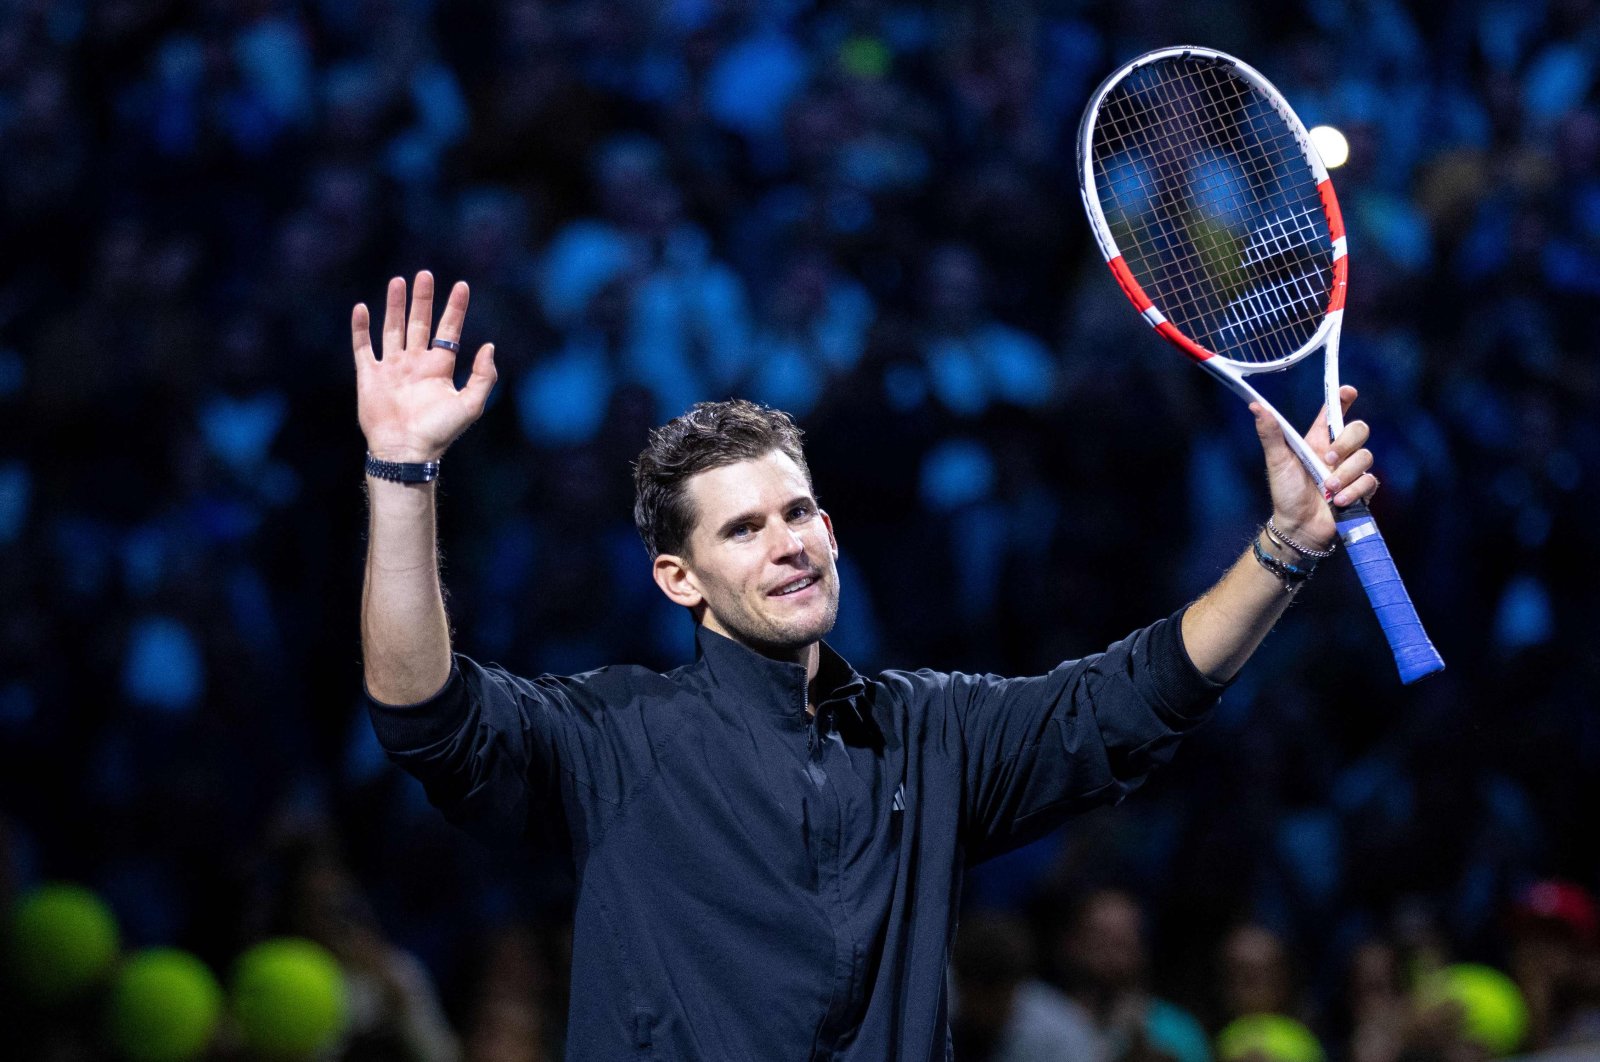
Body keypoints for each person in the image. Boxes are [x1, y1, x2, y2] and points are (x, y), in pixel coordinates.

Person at [351, 271, 1380, 1061]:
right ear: (679, 579)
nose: (788, 542)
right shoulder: (610, 735)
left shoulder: (926, 733)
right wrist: (403, 475)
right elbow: (422, 712)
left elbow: (1130, 699)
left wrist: (1286, 544)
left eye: (798, 513)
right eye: (744, 529)